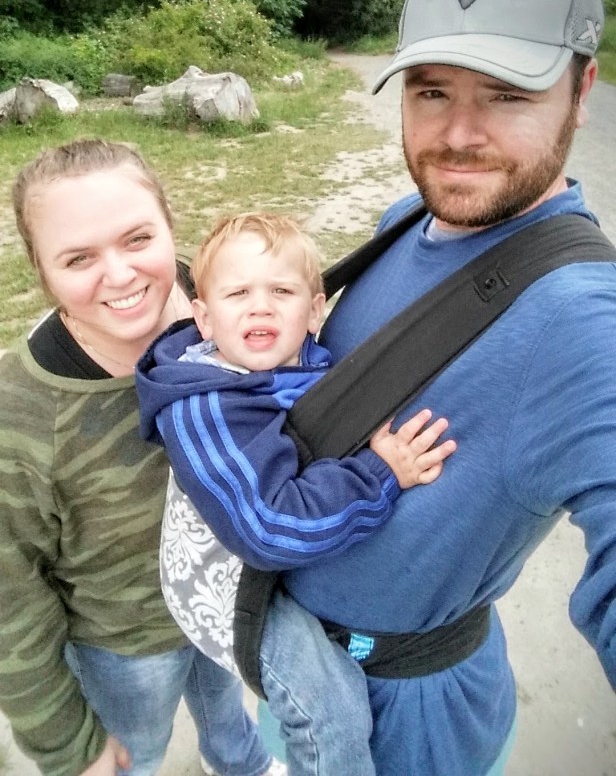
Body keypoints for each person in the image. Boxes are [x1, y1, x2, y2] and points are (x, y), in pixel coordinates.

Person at [275, 0, 616, 776]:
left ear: (582, 89)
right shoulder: (407, 218)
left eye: (507, 93)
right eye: (431, 90)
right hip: (299, 671)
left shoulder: (582, 319)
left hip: (411, 723)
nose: (459, 134)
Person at [136, 211, 457, 775]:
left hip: (264, 556)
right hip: (225, 590)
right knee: (331, 708)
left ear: (314, 312)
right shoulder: (201, 408)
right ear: (204, 319)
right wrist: (380, 474)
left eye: (281, 291)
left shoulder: (300, 362)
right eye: (238, 293)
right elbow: (269, 527)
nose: (260, 307)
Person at [0, 139, 284, 776]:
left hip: (228, 602)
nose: (121, 275)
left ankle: (240, 761)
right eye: (78, 258)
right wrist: (69, 747)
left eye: (137, 239)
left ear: (169, 225)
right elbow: (10, 599)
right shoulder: (20, 416)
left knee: (226, 707)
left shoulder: (226, 307)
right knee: (138, 752)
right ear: (41, 272)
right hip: (127, 647)